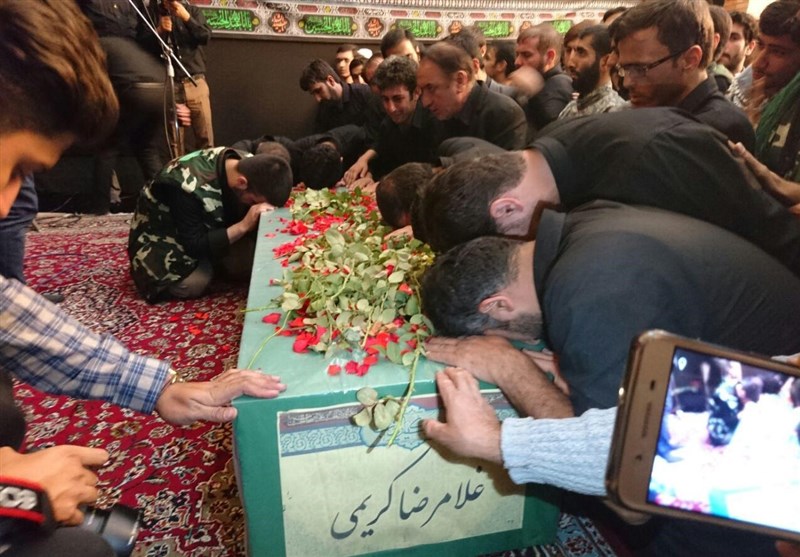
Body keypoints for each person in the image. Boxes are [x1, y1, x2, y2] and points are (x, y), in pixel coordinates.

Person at [0, 2, 286, 555]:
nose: (10, 205)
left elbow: (12, 316)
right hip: (160, 260)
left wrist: (159, 388)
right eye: (14, 168)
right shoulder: (186, 184)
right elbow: (198, 246)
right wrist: (15, 493)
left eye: (25, 178)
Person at [419, 202, 800, 556]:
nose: (522, 343)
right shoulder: (582, 226)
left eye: (500, 337)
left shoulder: (590, 298)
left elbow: (630, 493)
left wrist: (512, 370)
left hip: (769, 465)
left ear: (498, 305)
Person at [128, 148, 292, 302]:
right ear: (242, 183)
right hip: (163, 242)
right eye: (253, 202)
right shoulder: (184, 186)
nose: (253, 206)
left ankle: (218, 263)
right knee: (195, 283)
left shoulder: (246, 165)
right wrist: (243, 226)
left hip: (208, 228)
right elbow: (194, 245)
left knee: (251, 263)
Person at [613, 0, 755, 150]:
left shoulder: (721, 128)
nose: (627, 82)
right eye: (625, 68)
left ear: (690, 60)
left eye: (640, 69)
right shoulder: (653, 108)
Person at [417, 42, 527, 150]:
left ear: (460, 80)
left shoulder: (504, 114)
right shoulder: (432, 118)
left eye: (431, 88)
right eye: (422, 90)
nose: (425, 102)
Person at [343, 56, 436, 184]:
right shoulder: (387, 125)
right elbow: (383, 164)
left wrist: (385, 185)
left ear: (416, 92)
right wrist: (369, 177)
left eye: (398, 99)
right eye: (385, 99)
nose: (391, 108)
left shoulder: (434, 121)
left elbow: (433, 175)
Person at [146, 0, 214, 150]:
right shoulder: (152, 13)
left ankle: (206, 166)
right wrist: (159, 30)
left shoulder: (192, 11)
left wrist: (187, 18)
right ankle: (177, 166)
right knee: (174, 143)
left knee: (205, 138)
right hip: (170, 85)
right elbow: (143, 47)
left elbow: (205, 36)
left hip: (195, 82)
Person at [234, 124, 368, 189]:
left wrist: (365, 163)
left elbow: (373, 140)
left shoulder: (353, 135)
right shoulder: (293, 151)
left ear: (341, 159)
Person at [514, 23, 574, 132]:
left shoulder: (558, 85)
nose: (517, 62)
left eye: (526, 55)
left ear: (549, 56)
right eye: (517, 55)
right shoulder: (543, 84)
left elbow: (551, 133)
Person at [559, 24, 625, 119]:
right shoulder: (571, 107)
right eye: (570, 51)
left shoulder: (614, 111)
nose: (570, 63)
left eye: (581, 53)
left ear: (605, 61)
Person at [299, 59, 374, 133]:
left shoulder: (364, 93)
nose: (318, 99)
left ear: (330, 80)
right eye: (313, 94)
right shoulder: (323, 109)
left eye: (318, 91)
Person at [721, 10, 757, 76]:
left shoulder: (752, 82)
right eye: (723, 36)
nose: (724, 44)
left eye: (734, 38)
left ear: (750, 47)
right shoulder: (702, 77)